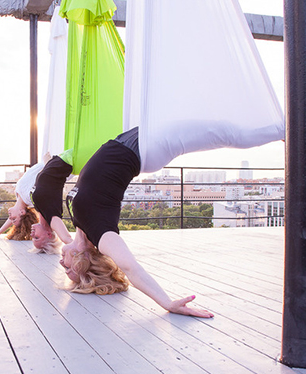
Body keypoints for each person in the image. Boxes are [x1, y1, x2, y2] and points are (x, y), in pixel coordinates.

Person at [62, 127, 213, 318]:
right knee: (222, 132)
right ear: (81, 262)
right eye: (67, 267)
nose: (61, 262)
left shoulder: (79, 225)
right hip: (141, 150)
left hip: (126, 142)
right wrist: (167, 303)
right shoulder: (101, 234)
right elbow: (131, 268)